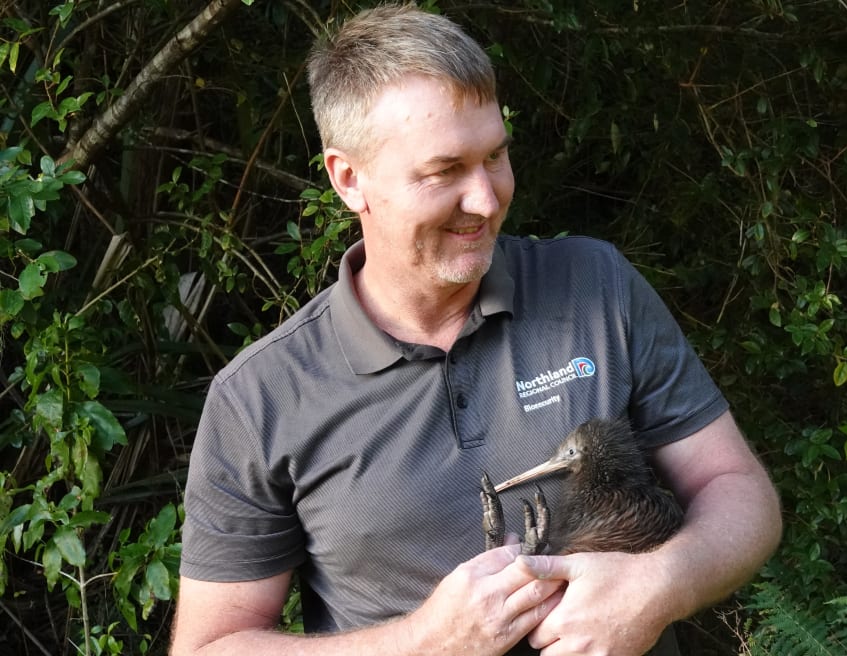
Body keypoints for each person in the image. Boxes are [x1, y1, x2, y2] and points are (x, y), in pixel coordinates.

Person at [169, 4, 782, 655]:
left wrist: (659, 586)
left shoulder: (595, 286)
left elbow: (738, 491)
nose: (487, 200)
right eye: (444, 172)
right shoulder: (262, 396)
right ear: (349, 179)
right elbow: (211, 647)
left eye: (495, 156)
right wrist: (422, 641)